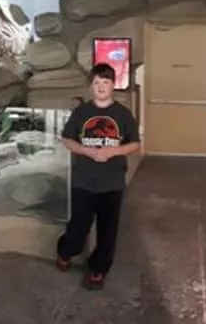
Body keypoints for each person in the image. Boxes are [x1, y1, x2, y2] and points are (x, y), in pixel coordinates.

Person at [56, 63, 140, 290]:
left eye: (106, 82)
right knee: (78, 228)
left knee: (107, 232)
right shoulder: (81, 113)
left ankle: (98, 269)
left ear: (113, 85)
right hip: (83, 182)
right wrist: (87, 151)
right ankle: (66, 251)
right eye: (97, 82)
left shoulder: (123, 114)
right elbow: (67, 139)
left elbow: (134, 144)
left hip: (112, 184)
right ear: (91, 86)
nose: (101, 86)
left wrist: (114, 151)